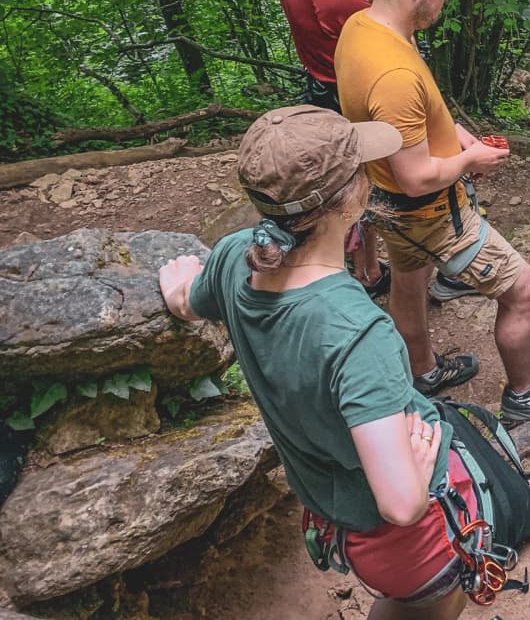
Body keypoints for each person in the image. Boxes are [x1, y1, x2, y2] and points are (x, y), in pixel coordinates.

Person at [157, 105, 471, 618]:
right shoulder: (358, 331)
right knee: (438, 598)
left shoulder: (236, 255)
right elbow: (400, 505)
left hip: (329, 506)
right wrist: (414, 478)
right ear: (352, 199)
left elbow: (189, 303)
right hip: (397, 533)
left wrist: (176, 288)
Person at [334, 0, 530, 424]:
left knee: (408, 278)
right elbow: (418, 176)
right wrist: (471, 162)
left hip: (385, 204)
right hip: (430, 211)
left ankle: (423, 371)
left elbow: (411, 118)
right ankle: (523, 395)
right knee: (525, 291)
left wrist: (459, 134)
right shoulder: (393, 74)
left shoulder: (362, 29)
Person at [267, 0, 386, 296]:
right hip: (346, 97)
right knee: (365, 191)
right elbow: (386, 45)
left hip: (324, 87)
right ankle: (370, 275)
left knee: (353, 190)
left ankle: (369, 269)